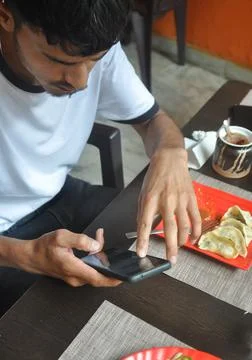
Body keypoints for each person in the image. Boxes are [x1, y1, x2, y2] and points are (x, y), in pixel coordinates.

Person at [0, 0, 201, 314]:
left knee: (168, 258)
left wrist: (171, 150)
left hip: (60, 194)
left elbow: (154, 121)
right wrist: (25, 255)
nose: (80, 81)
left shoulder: (92, 43)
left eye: (93, 61)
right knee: (54, 323)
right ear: (6, 16)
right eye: (58, 60)